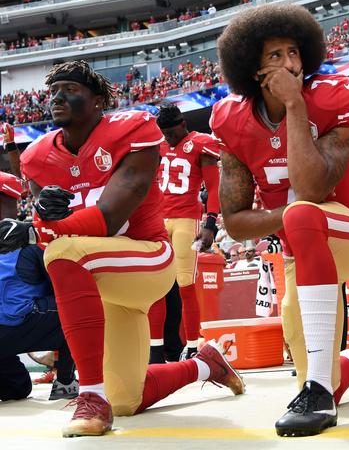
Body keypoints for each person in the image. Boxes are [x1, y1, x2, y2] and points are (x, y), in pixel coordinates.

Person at [0, 61, 243, 437]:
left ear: (98, 101)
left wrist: (37, 231)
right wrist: (44, 219)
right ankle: (206, 365)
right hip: (101, 280)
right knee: (128, 399)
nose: (57, 98)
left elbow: (110, 217)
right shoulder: (38, 157)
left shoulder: (132, 130)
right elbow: (54, 230)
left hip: (147, 258)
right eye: (53, 91)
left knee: (62, 252)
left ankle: (91, 396)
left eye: (69, 90)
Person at [212, 4, 349, 437]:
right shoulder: (232, 119)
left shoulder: (335, 95)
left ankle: (317, 389)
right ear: (252, 68)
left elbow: (314, 190)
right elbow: (238, 222)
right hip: (300, 248)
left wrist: (296, 106)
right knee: (322, 377)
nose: (290, 64)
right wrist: (289, 219)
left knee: (303, 212)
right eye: (275, 56)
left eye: (294, 52)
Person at [148, 103, 221, 362]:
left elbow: (213, 188)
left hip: (186, 220)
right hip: (158, 219)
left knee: (185, 285)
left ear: (182, 124)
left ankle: (191, 345)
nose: (167, 137)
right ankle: (155, 349)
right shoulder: (158, 145)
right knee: (155, 286)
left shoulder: (200, 143)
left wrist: (210, 224)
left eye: (170, 132)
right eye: (163, 133)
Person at [0, 245, 77, 401]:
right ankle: (65, 382)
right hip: (10, 324)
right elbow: (65, 290)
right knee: (78, 308)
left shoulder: (9, 253)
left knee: (18, 387)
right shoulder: (36, 249)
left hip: (7, 329)